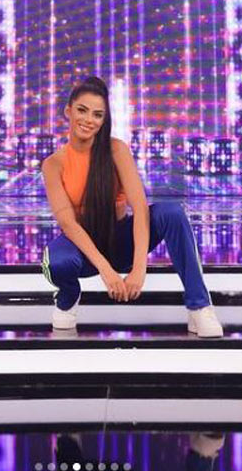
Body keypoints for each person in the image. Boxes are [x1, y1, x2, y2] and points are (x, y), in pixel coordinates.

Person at [40, 75, 223, 337]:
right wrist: (106, 271)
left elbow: (140, 208)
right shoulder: (53, 164)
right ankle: (68, 298)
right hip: (84, 251)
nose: (88, 120)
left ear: (104, 120)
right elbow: (68, 224)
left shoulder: (116, 150)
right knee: (56, 262)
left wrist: (139, 269)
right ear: (68, 112)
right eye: (82, 110)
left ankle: (200, 307)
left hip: (120, 241)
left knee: (171, 213)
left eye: (97, 114)